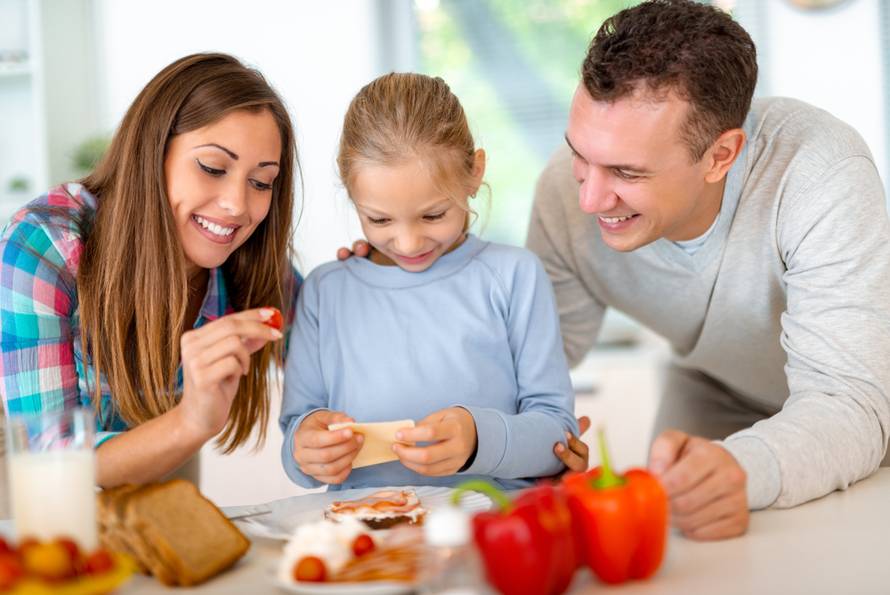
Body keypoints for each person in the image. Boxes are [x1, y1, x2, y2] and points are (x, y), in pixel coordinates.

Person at [526, 0, 890, 539]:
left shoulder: (819, 173)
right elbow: (531, 356)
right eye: (581, 154)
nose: (590, 198)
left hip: (868, 408)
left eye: (626, 171)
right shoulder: (566, 189)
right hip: (717, 385)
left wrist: (745, 468)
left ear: (722, 156)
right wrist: (400, 278)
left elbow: (849, 401)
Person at [0, 53, 298, 488]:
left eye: (260, 182)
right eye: (213, 168)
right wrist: (190, 421)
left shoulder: (249, 261)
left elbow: (338, 340)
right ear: (152, 153)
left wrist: (387, 258)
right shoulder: (47, 242)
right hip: (37, 502)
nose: (237, 204)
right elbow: (50, 460)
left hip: (158, 494)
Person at [279, 72, 579, 490]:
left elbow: (558, 435)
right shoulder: (325, 292)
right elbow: (297, 435)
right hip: (365, 537)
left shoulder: (514, 277)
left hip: (495, 530)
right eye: (379, 219)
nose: (408, 241)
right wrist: (307, 450)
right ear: (351, 193)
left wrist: (478, 438)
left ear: (474, 173)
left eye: (433, 214)